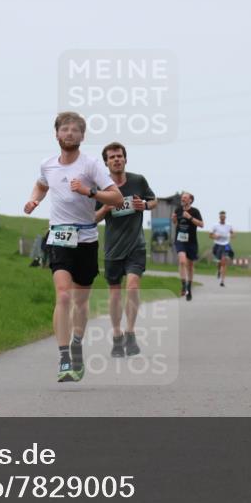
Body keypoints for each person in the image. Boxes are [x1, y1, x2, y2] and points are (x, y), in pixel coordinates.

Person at [24, 112, 122, 383]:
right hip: (59, 236)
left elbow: (116, 197)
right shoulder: (47, 165)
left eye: (74, 130)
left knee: (80, 302)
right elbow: (41, 185)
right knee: (63, 296)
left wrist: (89, 192)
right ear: (56, 134)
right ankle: (64, 355)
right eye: (64, 129)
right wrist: (34, 200)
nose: (69, 133)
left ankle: (77, 342)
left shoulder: (91, 165)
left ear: (82, 136)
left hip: (87, 239)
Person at [94, 142, 156, 357]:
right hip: (112, 248)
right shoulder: (101, 186)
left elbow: (153, 200)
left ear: (125, 159)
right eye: (112, 157)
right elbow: (92, 218)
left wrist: (145, 206)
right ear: (106, 163)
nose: (116, 159)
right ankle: (117, 335)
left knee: (132, 286)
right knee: (114, 294)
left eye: (119, 156)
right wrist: (106, 206)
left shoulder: (138, 180)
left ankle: (130, 331)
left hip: (135, 245)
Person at [172, 192, 203, 301]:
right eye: (182, 198)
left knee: (190, 266)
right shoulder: (178, 209)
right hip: (180, 239)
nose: (183, 199)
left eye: (185, 198)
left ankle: (189, 287)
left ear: (190, 200)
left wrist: (190, 217)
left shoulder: (195, 211)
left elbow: (201, 224)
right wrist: (174, 219)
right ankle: (184, 285)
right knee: (182, 261)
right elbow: (175, 223)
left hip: (191, 242)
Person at [210, 210, 236, 287]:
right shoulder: (215, 225)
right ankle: (218, 270)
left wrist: (232, 236)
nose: (222, 218)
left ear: (225, 217)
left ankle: (222, 281)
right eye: (221, 216)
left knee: (224, 261)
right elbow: (210, 235)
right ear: (219, 217)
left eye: (223, 216)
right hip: (217, 245)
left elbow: (233, 233)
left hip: (226, 245)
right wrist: (215, 236)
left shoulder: (229, 225)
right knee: (219, 262)